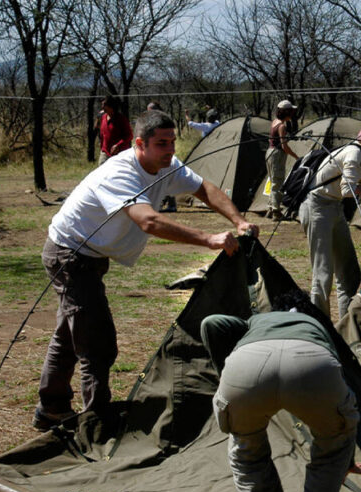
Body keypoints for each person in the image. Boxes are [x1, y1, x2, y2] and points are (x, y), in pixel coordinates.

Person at [34, 110, 260, 430]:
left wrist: (238, 220)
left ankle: (52, 408)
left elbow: (204, 188)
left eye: (172, 142)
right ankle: (97, 422)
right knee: (97, 339)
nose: (170, 149)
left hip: (92, 256)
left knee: (72, 333)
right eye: (161, 144)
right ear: (139, 144)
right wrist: (208, 238)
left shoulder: (168, 165)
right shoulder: (120, 174)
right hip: (69, 254)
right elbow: (148, 220)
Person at [200, 293, 361, 492]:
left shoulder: (258, 321)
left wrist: (226, 371)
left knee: (246, 449)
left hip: (247, 365)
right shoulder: (317, 325)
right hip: (312, 364)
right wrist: (345, 457)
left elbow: (212, 323)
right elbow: (343, 386)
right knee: (332, 448)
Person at [300, 123, 361, 319]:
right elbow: (348, 191)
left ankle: (346, 324)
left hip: (335, 208)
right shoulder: (353, 153)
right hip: (317, 207)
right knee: (323, 272)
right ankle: (321, 324)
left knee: (349, 271)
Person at [266, 100, 301, 220]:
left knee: (273, 181)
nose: (292, 113)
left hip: (269, 152)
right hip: (277, 154)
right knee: (278, 182)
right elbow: (284, 146)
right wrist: (296, 157)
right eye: (291, 111)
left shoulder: (274, 122)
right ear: (287, 112)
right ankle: (276, 212)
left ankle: (270, 208)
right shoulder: (282, 126)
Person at [96, 95, 133, 165]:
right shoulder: (103, 117)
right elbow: (102, 134)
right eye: (102, 105)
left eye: (104, 105)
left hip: (119, 154)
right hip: (105, 153)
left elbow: (129, 135)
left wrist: (118, 145)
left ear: (111, 106)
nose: (102, 107)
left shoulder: (121, 119)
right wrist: (102, 147)